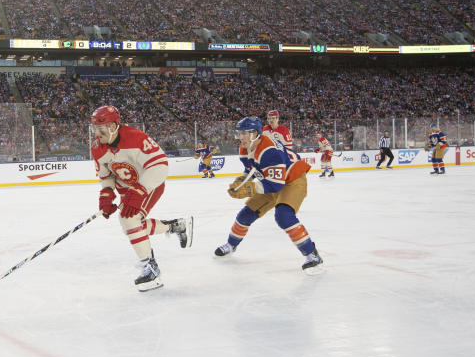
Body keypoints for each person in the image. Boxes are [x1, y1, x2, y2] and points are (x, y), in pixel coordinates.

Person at [91, 105, 193, 292]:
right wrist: (106, 195)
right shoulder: (97, 147)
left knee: (128, 219)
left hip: (149, 184)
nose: (97, 133)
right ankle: (175, 225)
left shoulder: (136, 137)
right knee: (132, 226)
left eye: (101, 128)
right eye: (95, 128)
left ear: (113, 126)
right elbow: (106, 177)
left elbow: (160, 166)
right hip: (130, 190)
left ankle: (150, 268)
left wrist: (139, 191)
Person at [216, 116, 323, 273]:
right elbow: (251, 169)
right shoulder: (245, 147)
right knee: (246, 214)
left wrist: (249, 189)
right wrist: (241, 181)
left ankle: (312, 255)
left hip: (292, 179)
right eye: (240, 133)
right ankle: (231, 245)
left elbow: (275, 184)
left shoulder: (269, 150)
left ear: (257, 133)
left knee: (283, 215)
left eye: (247, 133)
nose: (242, 137)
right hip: (272, 178)